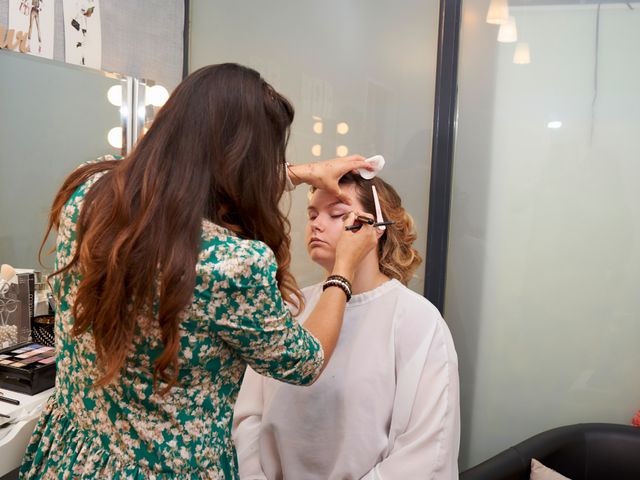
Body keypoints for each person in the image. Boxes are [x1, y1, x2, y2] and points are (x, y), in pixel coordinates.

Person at [19, 63, 378, 479]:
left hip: (73, 456)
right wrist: (344, 269)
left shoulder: (93, 195)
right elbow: (306, 361)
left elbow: (184, 186)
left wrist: (296, 174)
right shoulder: (230, 266)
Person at [233, 173, 461, 479]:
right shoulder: (289, 308)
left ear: (372, 228)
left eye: (336, 214)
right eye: (312, 214)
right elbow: (248, 416)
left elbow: (426, 449)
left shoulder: (418, 321)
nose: (316, 224)